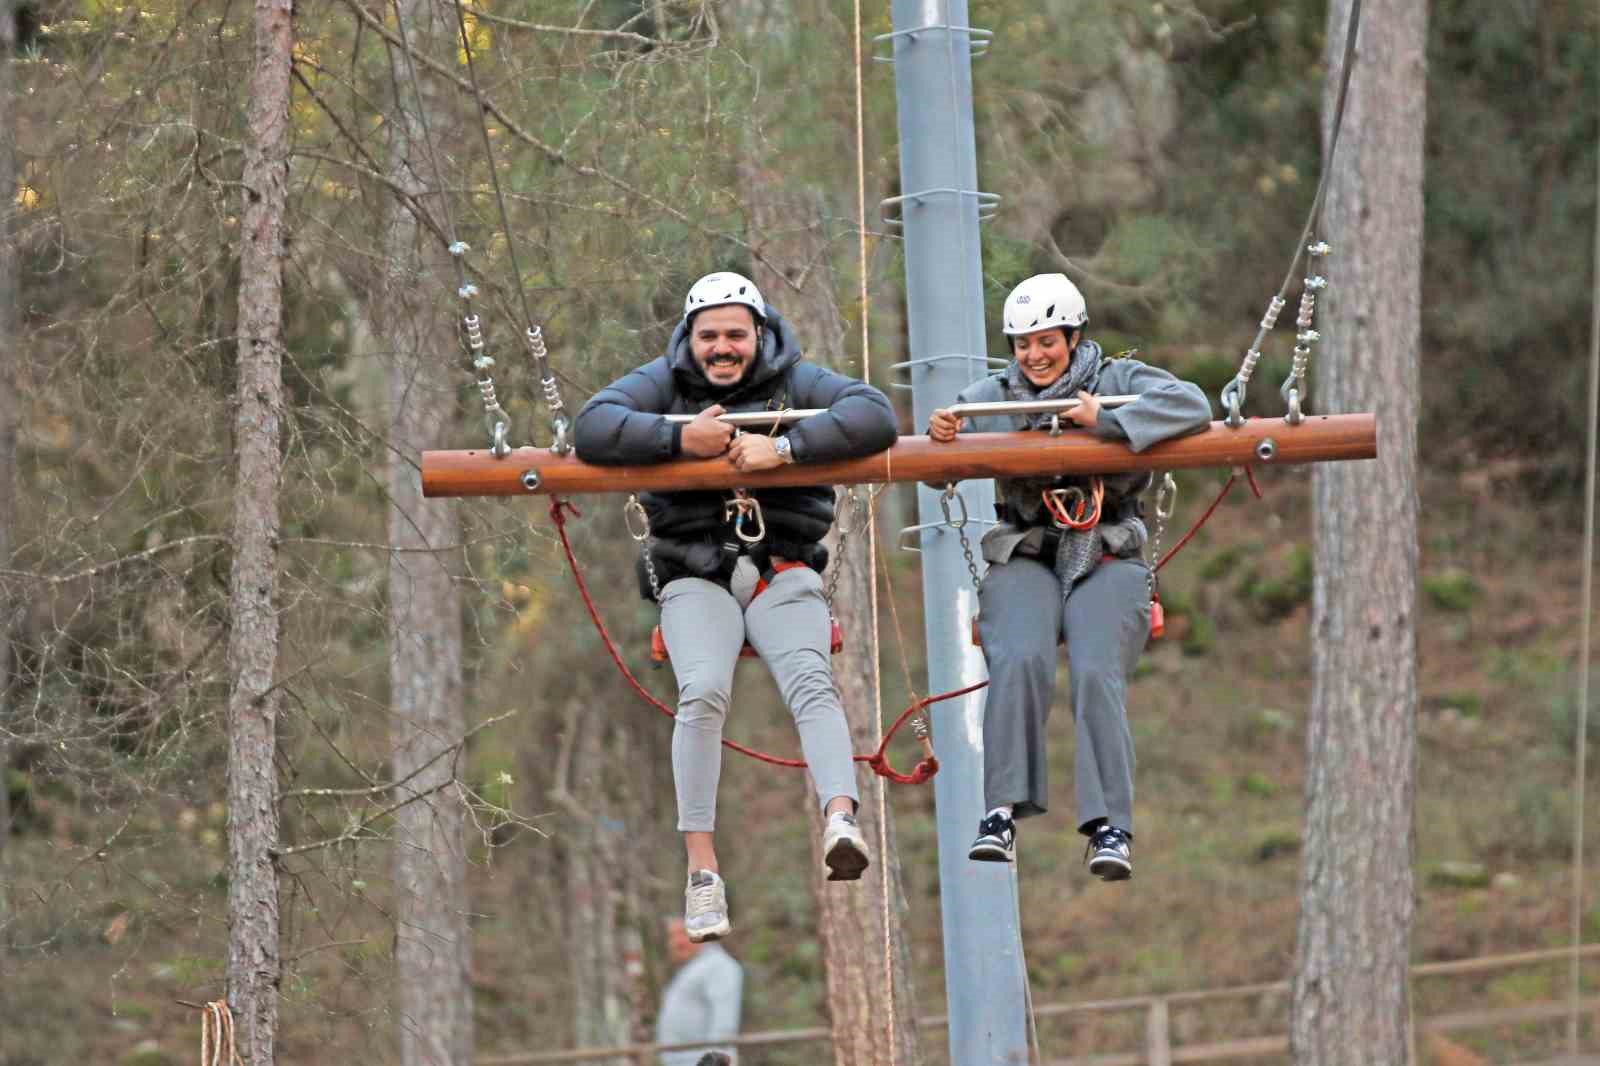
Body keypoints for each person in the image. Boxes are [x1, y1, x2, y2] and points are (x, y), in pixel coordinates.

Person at [575, 271, 899, 939]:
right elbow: (594, 426)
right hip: (697, 573)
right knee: (702, 691)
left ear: (760, 336)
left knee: (812, 682)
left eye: (735, 336)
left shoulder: (796, 381)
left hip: (781, 567)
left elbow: (875, 416)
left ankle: (840, 815)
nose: (722, 349)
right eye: (709, 337)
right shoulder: (663, 385)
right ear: (689, 341)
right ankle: (702, 871)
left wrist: (785, 448)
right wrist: (677, 441)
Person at [926, 273, 1211, 880]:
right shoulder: (992, 395)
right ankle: (999, 811)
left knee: (1093, 669)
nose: (1035, 356)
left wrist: (1104, 423)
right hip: (1028, 551)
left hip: (1106, 547)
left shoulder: (1117, 383)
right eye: (1023, 344)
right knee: (1021, 659)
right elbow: (939, 462)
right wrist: (942, 438)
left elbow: (1193, 405)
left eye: (1047, 341)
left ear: (1075, 336)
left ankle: (1110, 826)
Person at [657, 916, 744, 1066]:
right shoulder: (692, 970)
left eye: (684, 934)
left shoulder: (719, 966)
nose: (677, 942)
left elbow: (724, 1029)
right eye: (672, 936)